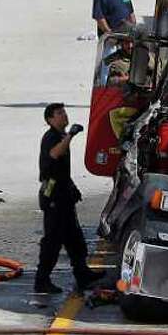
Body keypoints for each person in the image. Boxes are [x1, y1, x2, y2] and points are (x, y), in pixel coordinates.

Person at [36, 103, 105, 294]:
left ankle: (82, 274)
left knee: (74, 238)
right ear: (50, 119)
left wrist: (72, 187)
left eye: (64, 112)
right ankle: (42, 280)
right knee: (53, 240)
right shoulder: (51, 137)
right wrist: (71, 135)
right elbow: (54, 154)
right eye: (59, 113)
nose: (64, 115)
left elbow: (62, 170)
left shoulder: (60, 137)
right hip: (53, 197)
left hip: (64, 195)